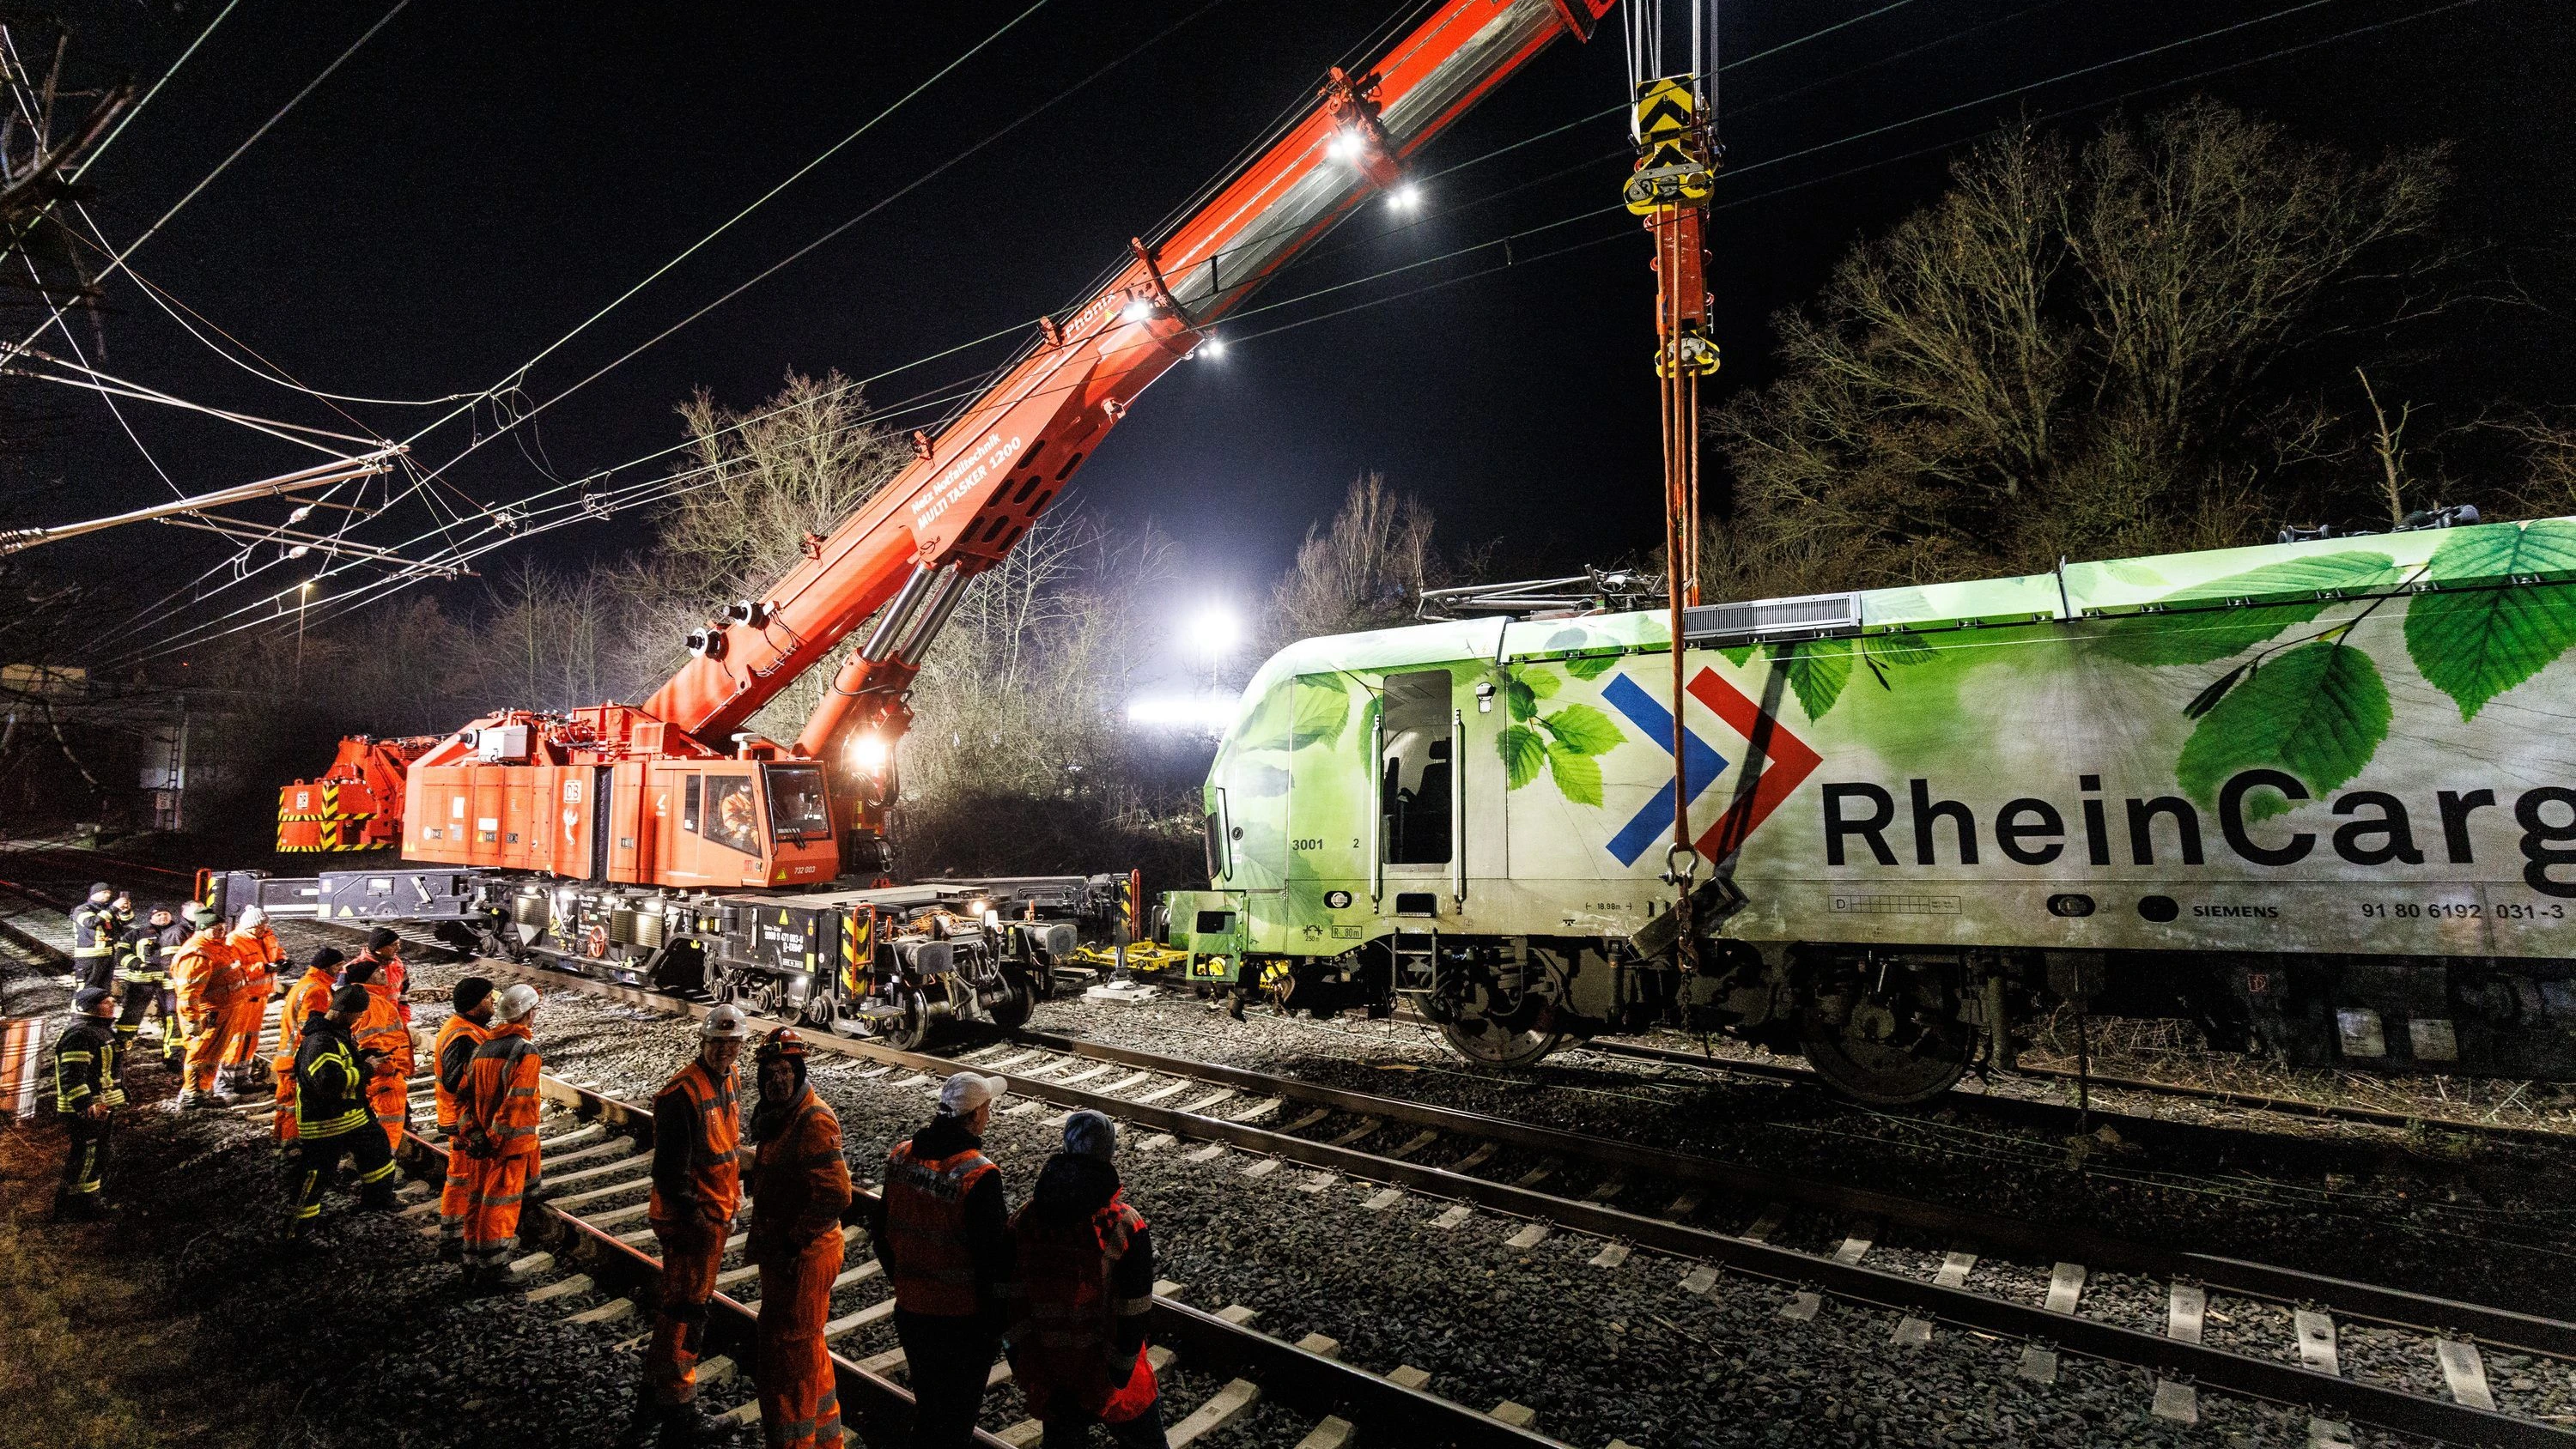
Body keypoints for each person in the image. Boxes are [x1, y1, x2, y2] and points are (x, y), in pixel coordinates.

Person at [623, 1003, 754, 1447]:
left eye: (732, 1043)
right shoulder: (682, 1093)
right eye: (718, 1043)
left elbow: (727, 1150)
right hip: (690, 1223)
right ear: (704, 1042)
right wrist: (696, 1219)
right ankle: (679, 1416)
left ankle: (649, 1413)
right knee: (684, 1316)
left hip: (712, 1217)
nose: (725, 1050)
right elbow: (670, 1173)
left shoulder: (730, 1079)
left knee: (683, 1313)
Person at [1005, 1112, 1165, 1449]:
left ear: (1065, 1147)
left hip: (1050, 1370)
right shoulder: (1124, 1224)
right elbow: (1134, 1310)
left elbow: (1009, 1296)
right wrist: (1117, 1377)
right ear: (1108, 1153)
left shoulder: (1024, 1219)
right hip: (1110, 1377)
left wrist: (1022, 1362)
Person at [872, 1070, 1012, 1449]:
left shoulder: (902, 1156)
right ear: (974, 1115)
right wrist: (997, 1323)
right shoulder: (977, 1174)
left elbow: (881, 1232)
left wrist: (906, 1279)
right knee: (955, 1421)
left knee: (932, 1408)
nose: (989, 1115)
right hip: (961, 1323)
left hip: (912, 1312)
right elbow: (994, 1262)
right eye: (987, 1108)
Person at [750, 1028, 852, 1449]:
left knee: (789, 1356)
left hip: (803, 1255)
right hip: (789, 1251)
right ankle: (826, 1440)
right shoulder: (780, 1117)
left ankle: (795, 1444)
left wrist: (794, 1240)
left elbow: (836, 1194)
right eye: (770, 1073)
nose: (777, 1080)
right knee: (807, 1349)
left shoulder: (812, 1119)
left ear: (798, 1073)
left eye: (785, 1072)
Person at [288, 982, 401, 1238]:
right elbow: (327, 1081)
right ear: (346, 1012)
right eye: (358, 1015)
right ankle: (298, 1230)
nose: (359, 1020)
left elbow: (343, 1064)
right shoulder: (320, 1042)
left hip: (351, 1116)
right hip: (324, 1123)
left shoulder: (336, 1033)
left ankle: (377, 1202)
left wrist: (364, 1057)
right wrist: (368, 1069)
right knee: (316, 1175)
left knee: (377, 1149)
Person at [455, 983, 544, 1290]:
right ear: (529, 1015)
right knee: (499, 1205)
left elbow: (463, 1099)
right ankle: (493, 1271)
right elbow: (517, 1103)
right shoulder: (524, 1051)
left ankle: (471, 1263)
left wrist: (474, 1133)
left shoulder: (481, 1048)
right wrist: (495, 1140)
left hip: (481, 1144)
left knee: (477, 1201)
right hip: (507, 1146)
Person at [430, 976, 498, 1262]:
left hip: (462, 1119)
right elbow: (455, 1081)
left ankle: (456, 1237)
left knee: (463, 1178)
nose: (493, 1002)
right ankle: (454, 1241)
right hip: (463, 1121)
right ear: (476, 1004)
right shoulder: (463, 1037)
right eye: (489, 998)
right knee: (462, 1179)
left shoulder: (467, 1029)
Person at [50, 986, 125, 1221]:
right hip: (87, 1110)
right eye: (105, 1002)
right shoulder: (81, 1034)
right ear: (89, 1007)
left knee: (97, 1153)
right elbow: (72, 1075)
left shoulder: (100, 1031)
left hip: (100, 1106)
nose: (112, 1004)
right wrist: (85, 1105)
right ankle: (77, 1206)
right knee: (88, 1154)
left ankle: (86, 1200)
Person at [272, 946, 347, 1161]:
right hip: (299, 1055)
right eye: (339, 966)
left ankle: (283, 1141)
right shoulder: (317, 990)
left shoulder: (306, 984)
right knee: (296, 1102)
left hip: (290, 1053)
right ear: (329, 967)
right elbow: (311, 1028)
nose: (341, 971)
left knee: (286, 1101)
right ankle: (292, 1146)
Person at [171, 903, 245, 1110]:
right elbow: (187, 993)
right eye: (216, 929)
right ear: (202, 929)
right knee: (200, 1053)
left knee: (213, 1054)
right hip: (208, 1013)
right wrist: (192, 1021)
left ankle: (203, 1090)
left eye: (223, 929)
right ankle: (191, 1095)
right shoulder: (197, 954)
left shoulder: (217, 947)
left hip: (224, 1010)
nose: (221, 932)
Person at [343, 957, 414, 1154]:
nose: (384, 973)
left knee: (373, 1125)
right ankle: (383, 1170)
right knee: (388, 1127)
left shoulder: (365, 998)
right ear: (367, 978)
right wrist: (389, 1069)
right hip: (384, 1076)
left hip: (376, 1074)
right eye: (378, 972)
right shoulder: (372, 1003)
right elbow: (371, 1044)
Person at [222, 906, 285, 1093]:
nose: (263, 930)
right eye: (260, 927)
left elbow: (277, 951)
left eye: (265, 926)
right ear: (248, 927)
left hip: (261, 997)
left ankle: (242, 1077)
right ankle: (224, 1083)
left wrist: (281, 961)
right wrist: (264, 968)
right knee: (235, 1040)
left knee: (250, 1039)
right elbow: (233, 972)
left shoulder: (267, 936)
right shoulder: (234, 942)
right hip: (243, 998)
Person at [112, 905, 185, 1065]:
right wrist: (137, 963)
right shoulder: (136, 934)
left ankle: (173, 1057)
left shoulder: (178, 932)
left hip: (168, 983)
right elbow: (121, 953)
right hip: (141, 982)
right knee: (131, 1016)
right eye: (158, 915)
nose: (162, 917)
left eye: (165, 914)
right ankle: (119, 1051)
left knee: (172, 1018)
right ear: (150, 918)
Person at [69, 882, 131, 993]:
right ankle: (80, 1009)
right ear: (94, 893)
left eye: (109, 893)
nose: (107, 895)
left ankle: (100, 1009)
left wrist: (125, 911)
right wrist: (114, 908)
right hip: (89, 956)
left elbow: (125, 922)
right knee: (86, 988)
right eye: (104, 892)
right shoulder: (82, 909)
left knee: (104, 989)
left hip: (108, 955)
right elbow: (91, 922)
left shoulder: (108, 909)